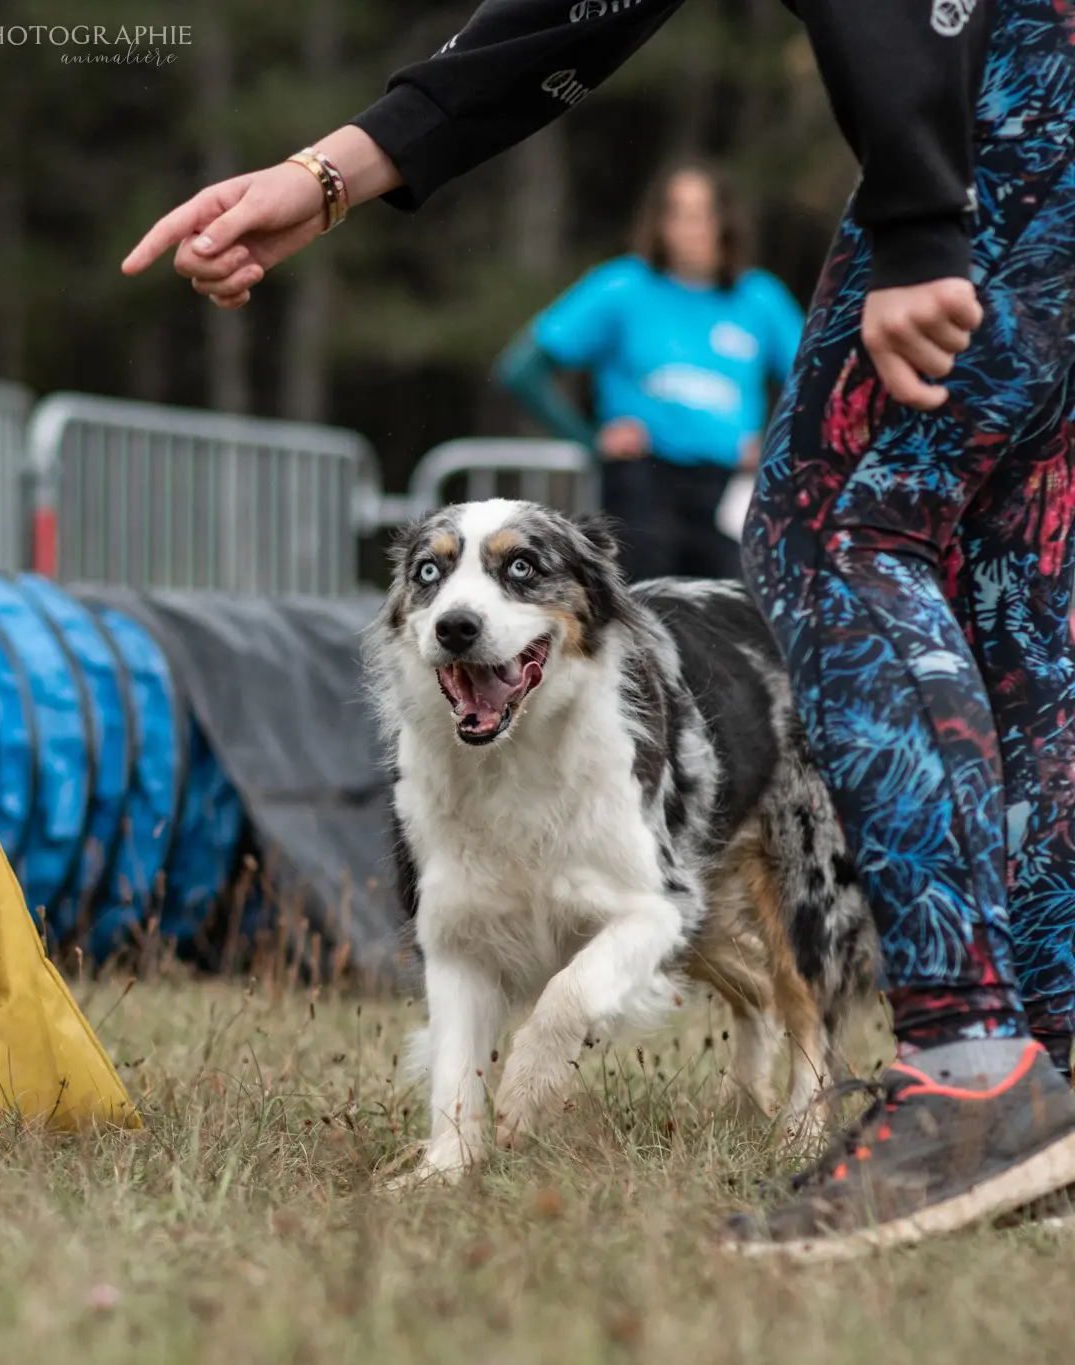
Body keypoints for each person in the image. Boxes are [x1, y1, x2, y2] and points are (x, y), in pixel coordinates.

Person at [122, 0, 1075, 1259]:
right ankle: (1052, 1063)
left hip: (1010, 112)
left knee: (837, 530)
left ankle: (971, 1064)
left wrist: (913, 217)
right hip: (1029, 116)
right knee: (1014, 577)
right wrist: (341, 168)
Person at [495, 163, 804, 580]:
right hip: (644, 482)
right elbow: (522, 369)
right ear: (658, 223)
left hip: (728, 489)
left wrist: (771, 448)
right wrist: (588, 438)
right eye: (676, 213)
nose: (689, 228)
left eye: (702, 213)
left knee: (732, 619)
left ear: (725, 221)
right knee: (650, 615)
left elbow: (815, 385)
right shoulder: (623, 288)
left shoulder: (758, 298)